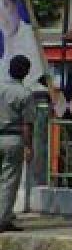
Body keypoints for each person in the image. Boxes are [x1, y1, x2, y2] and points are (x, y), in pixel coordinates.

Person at [0, 55, 34, 233]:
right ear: (26, 72)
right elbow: (27, 125)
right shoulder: (25, 94)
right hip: (13, 138)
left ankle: (5, 215)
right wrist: (29, 146)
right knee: (9, 181)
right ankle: (3, 219)